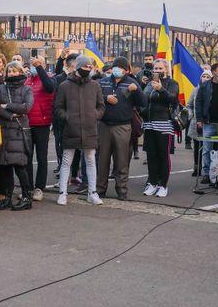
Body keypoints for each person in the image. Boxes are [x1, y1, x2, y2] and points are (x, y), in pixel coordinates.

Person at [54, 54, 105, 206]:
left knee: (90, 160)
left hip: (89, 128)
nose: (88, 69)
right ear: (77, 67)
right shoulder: (64, 86)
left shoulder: (95, 85)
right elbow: (58, 107)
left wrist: (94, 116)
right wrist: (67, 117)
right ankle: (62, 193)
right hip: (71, 128)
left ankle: (92, 192)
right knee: (66, 161)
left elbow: (101, 106)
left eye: (90, 67)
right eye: (85, 66)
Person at [97, 56, 145, 200]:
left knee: (122, 160)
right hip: (104, 125)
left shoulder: (132, 82)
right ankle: (100, 189)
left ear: (126, 70)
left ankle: (122, 189)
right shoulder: (103, 82)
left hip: (123, 126)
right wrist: (105, 98)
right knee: (102, 159)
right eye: (116, 67)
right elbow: (94, 98)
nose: (117, 69)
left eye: (121, 68)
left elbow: (143, 102)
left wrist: (136, 91)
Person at [0, 61, 34, 211]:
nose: (11, 73)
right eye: (9, 71)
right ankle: (8, 197)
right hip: (4, 130)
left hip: (19, 131)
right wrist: (11, 115)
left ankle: (26, 198)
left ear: (20, 72)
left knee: (20, 166)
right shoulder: (1, 88)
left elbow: (26, 107)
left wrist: (8, 106)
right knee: (5, 167)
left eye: (14, 71)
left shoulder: (27, 89)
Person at [141, 58, 179, 198]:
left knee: (163, 155)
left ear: (166, 70)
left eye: (160, 68)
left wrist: (161, 89)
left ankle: (163, 185)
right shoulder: (149, 84)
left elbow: (173, 100)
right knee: (151, 155)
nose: (157, 71)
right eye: (155, 68)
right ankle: (152, 183)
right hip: (149, 123)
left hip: (164, 123)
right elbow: (143, 100)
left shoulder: (172, 83)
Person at [25, 55, 56, 202]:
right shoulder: (27, 80)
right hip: (27, 123)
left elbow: (50, 88)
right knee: (27, 157)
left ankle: (39, 187)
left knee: (41, 157)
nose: (34, 66)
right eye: (33, 64)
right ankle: (28, 187)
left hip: (42, 123)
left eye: (38, 64)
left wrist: (39, 68)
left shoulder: (48, 78)